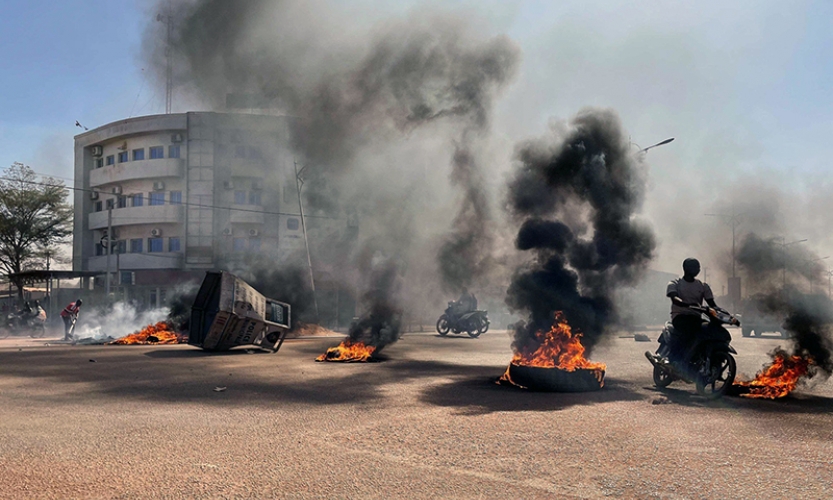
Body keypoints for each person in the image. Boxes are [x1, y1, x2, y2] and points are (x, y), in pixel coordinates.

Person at [665, 258, 719, 364]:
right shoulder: (675, 283)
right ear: (686, 268)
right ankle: (673, 359)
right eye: (694, 267)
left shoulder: (702, 286)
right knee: (688, 331)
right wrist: (687, 304)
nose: (697, 269)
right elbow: (674, 298)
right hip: (680, 316)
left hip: (695, 317)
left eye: (698, 267)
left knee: (709, 330)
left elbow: (712, 303)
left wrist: (721, 313)